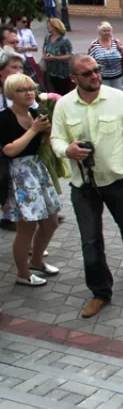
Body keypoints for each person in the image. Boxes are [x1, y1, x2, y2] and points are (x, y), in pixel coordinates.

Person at [50, 54, 123, 318]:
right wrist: (67, 149)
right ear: (73, 78)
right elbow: (55, 140)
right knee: (90, 241)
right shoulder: (64, 106)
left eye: (97, 70)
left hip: (118, 180)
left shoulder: (119, 99)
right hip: (82, 186)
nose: (95, 76)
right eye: (87, 73)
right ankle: (100, 292)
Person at [1, 74, 62, 287]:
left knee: (51, 222)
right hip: (19, 175)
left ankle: (36, 261)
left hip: (38, 170)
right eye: (21, 90)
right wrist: (34, 130)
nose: (28, 92)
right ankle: (23, 274)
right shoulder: (5, 118)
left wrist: (48, 130)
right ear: (11, 93)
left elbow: (48, 141)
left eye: (31, 88)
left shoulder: (36, 113)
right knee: (26, 228)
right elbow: (9, 150)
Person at [0, 51, 28, 232]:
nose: (19, 72)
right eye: (14, 68)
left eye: (21, 68)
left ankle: (12, 215)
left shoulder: (23, 91)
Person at [87, 21, 123, 91]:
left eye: (108, 30)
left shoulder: (116, 42)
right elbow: (90, 60)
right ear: (99, 32)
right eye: (104, 31)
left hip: (118, 76)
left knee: (118, 95)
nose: (107, 32)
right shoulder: (94, 45)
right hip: (102, 77)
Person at [42, 18, 74, 95]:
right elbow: (44, 48)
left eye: (49, 26)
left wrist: (54, 57)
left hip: (62, 72)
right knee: (52, 91)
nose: (47, 27)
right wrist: (44, 55)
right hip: (50, 70)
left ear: (55, 27)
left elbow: (70, 55)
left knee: (61, 93)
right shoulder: (48, 37)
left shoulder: (64, 40)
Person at [14, 16, 42, 85]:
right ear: (17, 22)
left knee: (34, 78)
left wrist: (25, 48)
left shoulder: (28, 31)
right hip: (17, 58)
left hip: (29, 57)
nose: (26, 24)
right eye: (23, 22)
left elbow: (35, 48)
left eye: (26, 22)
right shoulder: (12, 32)